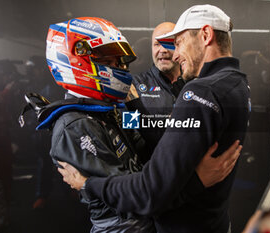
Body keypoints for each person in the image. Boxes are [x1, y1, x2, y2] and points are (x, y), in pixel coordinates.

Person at [20, 16, 241, 232]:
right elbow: (138, 198)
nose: (119, 68)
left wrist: (137, 107)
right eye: (108, 62)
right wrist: (197, 180)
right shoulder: (76, 124)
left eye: (119, 61)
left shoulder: (113, 109)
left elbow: (154, 143)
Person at [132, 22, 182, 116]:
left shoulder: (194, 82)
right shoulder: (134, 85)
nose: (163, 50)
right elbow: (130, 127)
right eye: (157, 44)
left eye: (168, 43)